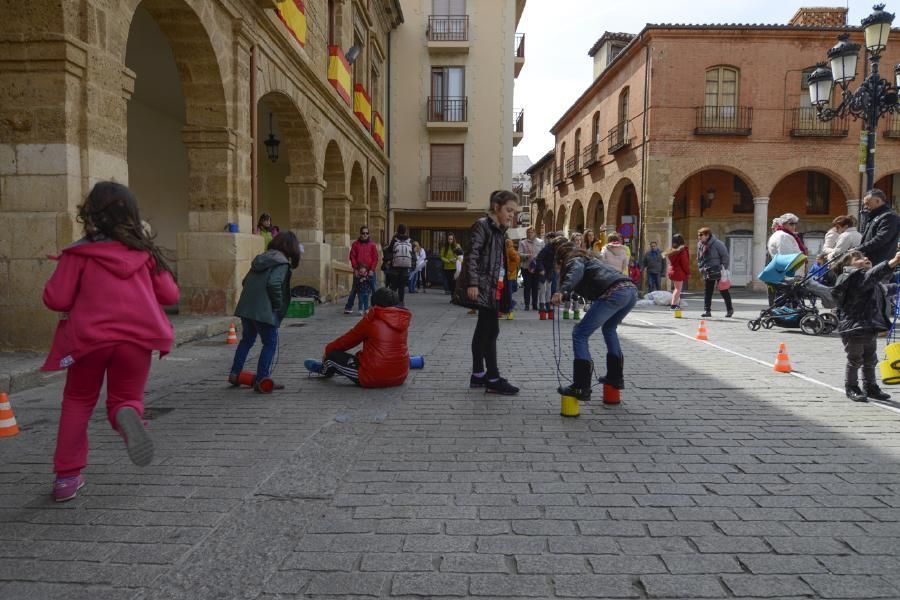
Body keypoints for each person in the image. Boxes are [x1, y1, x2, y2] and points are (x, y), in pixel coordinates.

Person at [41, 181, 180, 502]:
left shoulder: (79, 253)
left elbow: (57, 299)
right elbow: (170, 294)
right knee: (125, 398)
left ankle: (67, 478)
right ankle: (126, 416)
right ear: (132, 214)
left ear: (89, 214)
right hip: (136, 338)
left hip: (89, 339)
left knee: (77, 401)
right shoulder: (144, 254)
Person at [452, 190, 520, 395]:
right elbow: (471, 255)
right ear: (496, 207)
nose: (511, 215)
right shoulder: (482, 225)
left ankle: (478, 375)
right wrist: (473, 284)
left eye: (514, 212)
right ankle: (493, 378)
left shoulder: (499, 230)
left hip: (493, 288)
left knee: (484, 330)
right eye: (509, 210)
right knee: (490, 332)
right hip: (483, 287)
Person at [551, 241, 637, 401]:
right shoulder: (592, 261)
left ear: (561, 260)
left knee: (580, 333)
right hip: (630, 290)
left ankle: (581, 386)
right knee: (609, 328)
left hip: (615, 293)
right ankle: (615, 377)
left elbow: (574, 272)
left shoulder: (574, 260)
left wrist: (562, 291)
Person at [229, 231, 301, 393]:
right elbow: (274, 284)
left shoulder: (261, 259)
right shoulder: (281, 263)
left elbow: (245, 281)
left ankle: (235, 373)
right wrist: (277, 305)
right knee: (270, 343)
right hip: (264, 310)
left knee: (246, 340)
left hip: (247, 307)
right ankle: (262, 379)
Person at [830, 249, 900, 402]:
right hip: (854, 327)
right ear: (848, 266)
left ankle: (870, 386)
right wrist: (893, 261)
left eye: (864, 256)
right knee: (855, 359)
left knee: (870, 359)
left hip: (868, 326)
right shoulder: (852, 277)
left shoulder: (866, 280)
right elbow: (874, 275)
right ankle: (852, 387)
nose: (865, 258)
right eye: (858, 258)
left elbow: (884, 289)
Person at [305, 287, 411, 387]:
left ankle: (324, 369)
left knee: (332, 356)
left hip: (374, 376)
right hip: (400, 375)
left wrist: (328, 350)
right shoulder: (402, 319)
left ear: (374, 303)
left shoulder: (371, 319)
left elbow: (347, 341)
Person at [766, 213, 806, 305]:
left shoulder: (785, 235)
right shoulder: (783, 236)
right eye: (791, 224)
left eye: (795, 224)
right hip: (788, 275)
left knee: (789, 302)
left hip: (788, 275)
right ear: (783, 224)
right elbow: (786, 257)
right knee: (787, 303)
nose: (794, 226)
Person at [697, 227, 733, 318]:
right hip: (707, 270)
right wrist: (701, 268)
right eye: (699, 235)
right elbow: (699, 258)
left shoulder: (717, 243)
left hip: (718, 270)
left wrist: (723, 269)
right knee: (707, 291)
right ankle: (707, 310)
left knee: (723, 290)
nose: (699, 237)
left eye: (701, 235)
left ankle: (729, 309)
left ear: (707, 235)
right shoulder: (700, 244)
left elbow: (725, 256)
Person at [857, 189, 900, 265]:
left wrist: (859, 248)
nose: (866, 207)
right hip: (870, 260)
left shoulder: (889, 216)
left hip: (880, 262)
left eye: (867, 203)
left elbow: (881, 239)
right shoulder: (875, 216)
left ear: (878, 201)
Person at [344, 226, 379, 315]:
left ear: (369, 234)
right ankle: (348, 307)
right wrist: (355, 268)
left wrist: (372, 269)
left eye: (367, 233)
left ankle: (377, 306)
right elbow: (352, 257)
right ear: (360, 234)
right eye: (363, 233)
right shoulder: (355, 244)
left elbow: (375, 258)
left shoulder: (372, 245)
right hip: (359, 271)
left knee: (374, 288)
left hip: (370, 271)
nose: (365, 235)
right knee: (355, 289)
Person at [386, 224, 414, 306]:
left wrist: (388, 261)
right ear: (405, 231)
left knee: (393, 286)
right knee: (402, 287)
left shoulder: (394, 239)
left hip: (395, 267)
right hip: (405, 268)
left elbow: (389, 251)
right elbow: (412, 254)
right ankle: (401, 302)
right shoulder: (410, 240)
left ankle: (392, 302)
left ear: (397, 230)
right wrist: (412, 266)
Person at [518, 227, 543, 310]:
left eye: (531, 232)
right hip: (526, 267)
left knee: (535, 287)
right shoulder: (522, 242)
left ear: (535, 233)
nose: (530, 234)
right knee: (527, 286)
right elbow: (519, 254)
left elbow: (543, 254)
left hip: (537, 268)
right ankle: (527, 304)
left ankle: (535, 304)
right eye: (528, 232)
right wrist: (526, 256)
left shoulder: (540, 242)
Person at [664, 234, 690, 310]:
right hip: (679, 271)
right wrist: (688, 272)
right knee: (678, 289)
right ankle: (673, 305)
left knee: (676, 288)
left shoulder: (671, 250)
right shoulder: (682, 251)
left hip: (672, 270)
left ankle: (675, 304)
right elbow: (684, 263)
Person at [504, 238, 521, 313]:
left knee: (509, 290)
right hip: (510, 274)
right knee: (508, 290)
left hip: (510, 274)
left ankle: (510, 305)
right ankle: (510, 304)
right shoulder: (509, 249)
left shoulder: (510, 250)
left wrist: (509, 270)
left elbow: (517, 260)